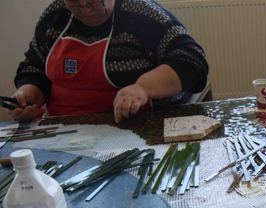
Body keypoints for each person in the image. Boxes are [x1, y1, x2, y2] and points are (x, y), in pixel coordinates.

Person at [10, 0, 209, 123]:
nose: (83, 4)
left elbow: (192, 60)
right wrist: (29, 93)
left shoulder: (142, 13)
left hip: (130, 129)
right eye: (73, 0)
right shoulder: (54, 17)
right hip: (62, 131)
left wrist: (143, 88)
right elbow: (34, 66)